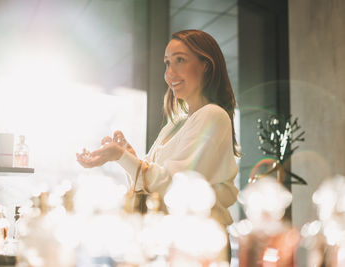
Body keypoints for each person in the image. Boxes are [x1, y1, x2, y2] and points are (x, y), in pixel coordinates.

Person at [77, 29, 240, 262]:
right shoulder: (175, 125)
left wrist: (122, 156)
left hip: (198, 246)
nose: (169, 73)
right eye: (167, 64)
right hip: (170, 242)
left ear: (206, 64)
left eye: (180, 60)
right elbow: (151, 186)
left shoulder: (213, 116)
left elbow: (177, 186)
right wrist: (127, 157)